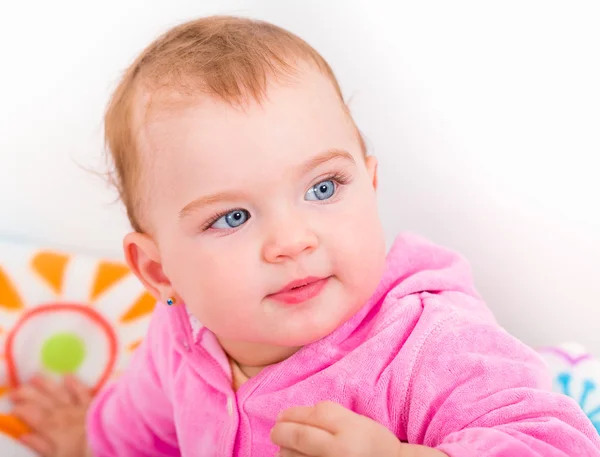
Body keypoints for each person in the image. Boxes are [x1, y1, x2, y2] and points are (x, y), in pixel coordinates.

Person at [11, 15, 600, 457]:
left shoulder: (426, 345)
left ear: (369, 184)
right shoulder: (183, 336)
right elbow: (142, 432)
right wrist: (87, 443)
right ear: (161, 273)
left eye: (322, 188)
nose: (292, 241)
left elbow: (558, 443)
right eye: (233, 217)